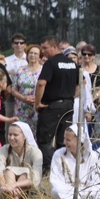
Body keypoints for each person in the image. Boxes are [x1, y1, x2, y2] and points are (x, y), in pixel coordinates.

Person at [35, 35, 79, 173]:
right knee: (63, 139)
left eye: (45, 48)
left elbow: (41, 83)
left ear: (54, 47)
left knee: (45, 140)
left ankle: (49, 170)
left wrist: (38, 102)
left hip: (51, 106)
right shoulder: (72, 63)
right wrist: (72, 96)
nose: (43, 51)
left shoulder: (50, 63)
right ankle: (64, 169)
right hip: (68, 105)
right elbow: (80, 83)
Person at [49, 124, 100, 199]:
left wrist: (81, 187)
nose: (64, 142)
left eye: (68, 140)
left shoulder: (93, 157)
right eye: (64, 139)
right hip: (67, 190)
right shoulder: (59, 154)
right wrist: (71, 188)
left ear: (79, 141)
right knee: (56, 190)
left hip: (87, 191)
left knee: (99, 193)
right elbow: (55, 181)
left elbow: (97, 181)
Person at [0, 122, 42, 199]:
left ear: (24, 136)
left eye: (15, 135)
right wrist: (7, 188)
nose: (12, 138)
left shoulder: (35, 152)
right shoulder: (2, 150)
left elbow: (36, 178)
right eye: (10, 134)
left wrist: (14, 185)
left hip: (28, 190)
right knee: (8, 171)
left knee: (25, 173)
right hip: (5, 189)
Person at [10, 43, 42, 135]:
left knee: (36, 134)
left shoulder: (43, 70)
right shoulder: (20, 70)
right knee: (20, 132)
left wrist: (37, 98)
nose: (32, 55)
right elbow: (13, 89)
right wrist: (23, 98)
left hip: (36, 108)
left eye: (35, 53)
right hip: (21, 108)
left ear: (40, 57)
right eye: (30, 53)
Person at [0, 68, 18, 153]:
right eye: (6, 81)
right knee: (0, 154)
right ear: (1, 84)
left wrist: (9, 119)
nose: (7, 83)